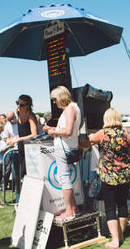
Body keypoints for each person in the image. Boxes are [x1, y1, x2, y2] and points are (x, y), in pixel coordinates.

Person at [81, 108, 130, 249]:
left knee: (110, 208)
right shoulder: (126, 135)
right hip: (125, 175)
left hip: (109, 176)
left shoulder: (103, 133)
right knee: (122, 205)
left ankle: (115, 241)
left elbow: (86, 143)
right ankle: (121, 236)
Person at [43, 86, 81, 221]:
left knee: (64, 179)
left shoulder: (70, 109)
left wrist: (53, 132)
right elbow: (67, 130)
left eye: (54, 99)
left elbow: (68, 131)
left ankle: (69, 211)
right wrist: (53, 129)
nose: (54, 102)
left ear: (61, 97)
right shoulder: (73, 108)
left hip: (64, 148)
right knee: (66, 179)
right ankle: (74, 208)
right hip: (67, 146)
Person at [8, 95, 38, 200]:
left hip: (30, 149)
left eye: (21, 104)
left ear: (28, 106)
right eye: (17, 103)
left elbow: (34, 134)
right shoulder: (18, 113)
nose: (18, 106)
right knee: (18, 174)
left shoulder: (31, 116)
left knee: (27, 174)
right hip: (21, 148)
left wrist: (19, 139)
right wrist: (15, 138)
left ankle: (29, 198)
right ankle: (20, 197)